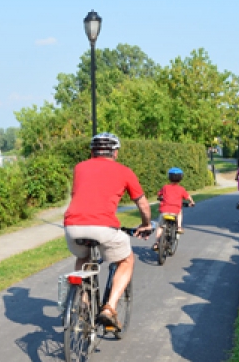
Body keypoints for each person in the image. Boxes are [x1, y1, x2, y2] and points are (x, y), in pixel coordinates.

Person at [64, 132, 153, 330]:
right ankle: (109, 308)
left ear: (92, 152)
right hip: (103, 227)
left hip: (72, 226)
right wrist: (146, 224)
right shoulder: (124, 171)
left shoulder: (79, 167)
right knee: (127, 260)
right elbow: (143, 205)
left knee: (83, 257)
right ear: (115, 152)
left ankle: (83, 305)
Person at [153, 167, 195, 251]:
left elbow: (159, 194)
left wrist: (161, 197)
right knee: (180, 212)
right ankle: (179, 227)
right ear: (181, 178)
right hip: (175, 210)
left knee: (160, 227)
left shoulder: (165, 187)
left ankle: (157, 243)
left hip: (164, 210)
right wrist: (192, 202)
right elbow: (188, 197)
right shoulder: (181, 189)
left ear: (169, 177)